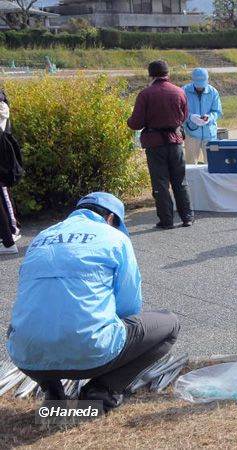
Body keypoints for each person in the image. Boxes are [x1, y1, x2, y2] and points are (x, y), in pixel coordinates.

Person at [6, 192, 180, 410]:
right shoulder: (114, 238)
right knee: (170, 324)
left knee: (19, 330)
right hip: (92, 355)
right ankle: (102, 389)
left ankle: (52, 390)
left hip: (28, 357)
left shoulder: (41, 237)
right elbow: (129, 307)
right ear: (111, 218)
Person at [128, 60, 194, 230]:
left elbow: (136, 123)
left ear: (150, 75)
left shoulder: (145, 94)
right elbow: (184, 116)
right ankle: (187, 216)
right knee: (180, 180)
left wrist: (129, 120)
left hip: (155, 143)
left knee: (160, 183)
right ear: (167, 74)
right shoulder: (179, 91)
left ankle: (167, 220)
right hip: (176, 141)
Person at [182, 68, 223, 165]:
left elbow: (217, 111)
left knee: (213, 165)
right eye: (197, 83)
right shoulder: (183, 91)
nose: (200, 87)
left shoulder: (213, 92)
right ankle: (191, 181)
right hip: (191, 134)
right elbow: (179, 111)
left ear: (208, 80)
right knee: (190, 165)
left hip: (210, 135)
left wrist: (209, 118)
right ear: (192, 80)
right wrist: (190, 117)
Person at [0, 89, 21, 255]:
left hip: (3, 152)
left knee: (3, 191)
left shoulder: (1, 102)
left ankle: (10, 236)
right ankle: (10, 234)